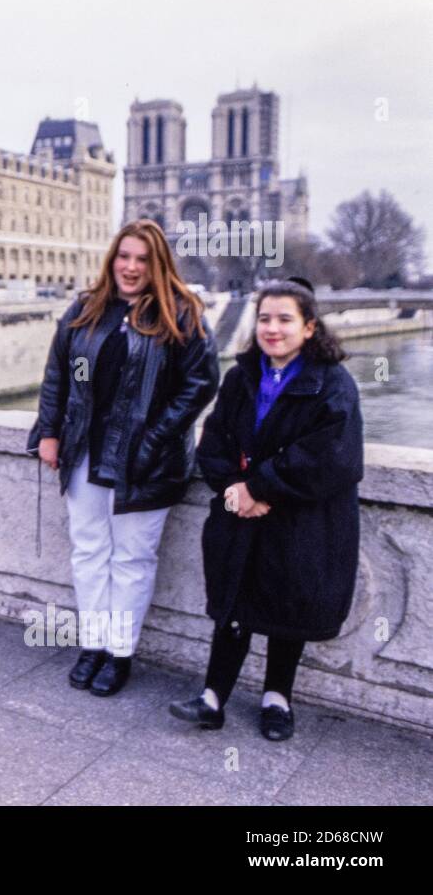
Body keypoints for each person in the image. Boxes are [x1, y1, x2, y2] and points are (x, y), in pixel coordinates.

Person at [27, 219, 219, 696]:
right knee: (90, 551)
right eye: (124, 256)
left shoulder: (182, 313)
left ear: (158, 265)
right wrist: (48, 432)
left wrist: (154, 439)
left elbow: (201, 385)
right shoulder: (86, 309)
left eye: (142, 259)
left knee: (132, 559)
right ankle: (92, 643)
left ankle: (119, 653)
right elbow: (58, 376)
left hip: (146, 460)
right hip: (86, 452)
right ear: (112, 258)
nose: (131, 268)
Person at [171, 278, 363, 740]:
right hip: (241, 512)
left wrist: (260, 487)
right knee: (235, 600)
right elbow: (213, 440)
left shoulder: (333, 384)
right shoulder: (241, 377)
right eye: (264, 319)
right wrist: (234, 488)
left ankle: (277, 698)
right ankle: (213, 696)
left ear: (309, 327)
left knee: (287, 604)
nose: (271, 329)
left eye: (284, 319)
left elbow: (332, 456)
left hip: (301, 519)